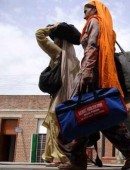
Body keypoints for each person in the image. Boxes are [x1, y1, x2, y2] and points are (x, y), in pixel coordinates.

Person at [57, 1, 130, 170]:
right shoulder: (108, 28)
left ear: (95, 9)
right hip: (101, 75)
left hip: (91, 74)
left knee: (75, 113)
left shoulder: (94, 22)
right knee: (100, 114)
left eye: (86, 10)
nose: (84, 15)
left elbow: (92, 45)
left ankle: (77, 159)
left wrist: (87, 70)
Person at [35, 23, 80, 167]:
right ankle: (58, 157)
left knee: (56, 123)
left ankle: (62, 157)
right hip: (70, 99)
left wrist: (53, 27)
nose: (53, 41)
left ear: (61, 40)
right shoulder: (75, 60)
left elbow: (39, 34)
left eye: (55, 38)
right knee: (62, 125)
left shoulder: (58, 53)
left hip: (60, 98)